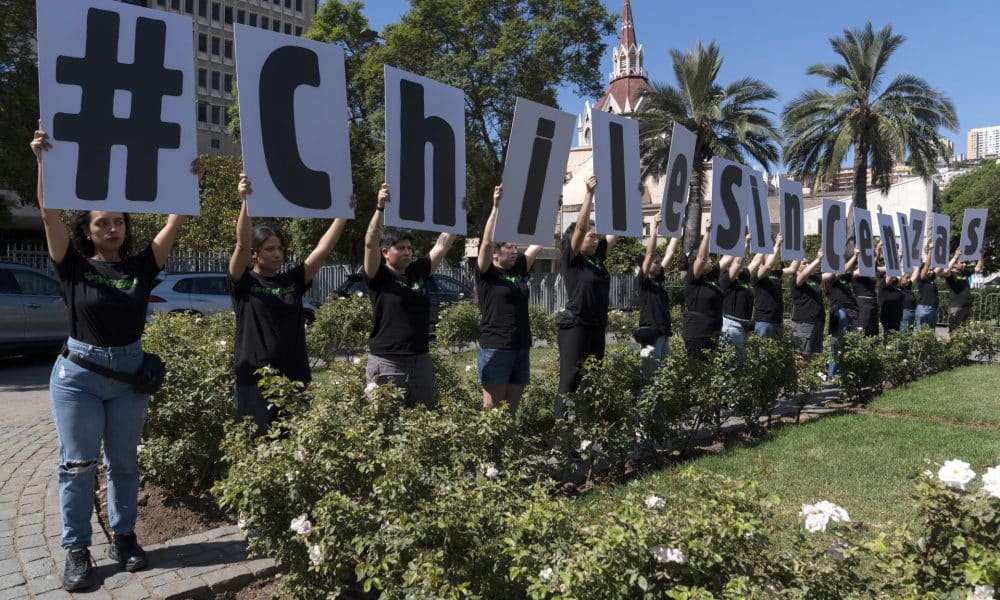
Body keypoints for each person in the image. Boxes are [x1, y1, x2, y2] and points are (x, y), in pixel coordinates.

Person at [32, 126, 199, 590]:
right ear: (87, 230)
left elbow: (174, 223)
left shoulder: (140, 266)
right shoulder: (73, 266)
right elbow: (48, 215)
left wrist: (189, 181)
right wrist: (43, 161)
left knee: (124, 463)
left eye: (119, 222)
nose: (112, 228)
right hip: (79, 377)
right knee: (79, 464)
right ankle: (77, 548)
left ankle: (124, 538)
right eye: (102, 223)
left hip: (128, 374)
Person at [228, 174, 350, 437]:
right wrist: (245, 202)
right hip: (254, 380)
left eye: (280, 248)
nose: (277, 253)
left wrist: (342, 215)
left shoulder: (291, 281)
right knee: (257, 446)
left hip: (294, 376)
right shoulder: (244, 281)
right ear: (254, 254)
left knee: (292, 448)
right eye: (269, 249)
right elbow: (241, 243)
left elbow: (321, 250)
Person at [363, 183, 464, 407]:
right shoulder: (377, 275)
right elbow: (370, 241)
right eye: (401, 248)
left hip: (420, 359)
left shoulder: (418, 271)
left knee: (422, 419)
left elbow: (441, 246)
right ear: (385, 252)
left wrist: (459, 216)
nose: (407, 252)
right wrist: (380, 207)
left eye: (409, 248)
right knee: (386, 422)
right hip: (388, 360)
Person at [476, 185, 543, 411]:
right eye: (509, 247)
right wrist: (496, 207)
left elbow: (539, 243)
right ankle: (489, 448)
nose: (515, 251)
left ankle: (510, 446)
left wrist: (551, 209)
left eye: (516, 247)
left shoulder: (518, 269)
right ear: (496, 252)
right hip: (496, 347)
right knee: (492, 411)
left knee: (510, 411)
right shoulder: (487, 273)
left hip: (521, 346)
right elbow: (485, 243)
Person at [555, 176, 618, 417]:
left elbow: (617, 231)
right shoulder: (572, 259)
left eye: (596, 236)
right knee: (570, 381)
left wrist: (633, 199)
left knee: (592, 381)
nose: (596, 239)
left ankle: (587, 435)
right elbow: (580, 228)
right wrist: (589, 194)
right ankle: (563, 438)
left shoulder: (597, 258)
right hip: (575, 326)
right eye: (592, 236)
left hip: (596, 326)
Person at [635, 212, 678, 359]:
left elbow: (670, 254)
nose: (660, 265)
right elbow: (649, 254)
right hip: (650, 333)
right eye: (656, 262)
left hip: (663, 333)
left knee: (662, 375)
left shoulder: (658, 279)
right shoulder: (643, 281)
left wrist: (677, 231)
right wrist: (654, 227)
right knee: (650, 373)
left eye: (660, 262)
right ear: (644, 264)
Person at [681, 218, 723, 361]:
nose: (710, 260)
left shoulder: (711, 276)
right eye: (708, 258)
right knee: (696, 373)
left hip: (712, 332)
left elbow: (729, 258)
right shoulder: (692, 278)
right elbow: (701, 257)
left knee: (708, 374)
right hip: (697, 334)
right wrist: (707, 232)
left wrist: (743, 240)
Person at [823, 248, 860, 379]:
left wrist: (873, 255)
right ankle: (833, 374)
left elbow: (861, 271)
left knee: (849, 344)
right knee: (837, 343)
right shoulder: (831, 276)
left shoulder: (845, 277)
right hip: (840, 311)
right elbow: (841, 270)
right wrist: (855, 256)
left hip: (851, 311)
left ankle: (844, 373)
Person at [752, 233, 796, 339]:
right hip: (763, 321)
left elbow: (792, 269)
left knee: (776, 355)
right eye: (768, 252)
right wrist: (777, 245)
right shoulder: (756, 273)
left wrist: (799, 250)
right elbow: (768, 266)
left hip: (777, 321)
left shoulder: (776, 273)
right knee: (762, 355)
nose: (771, 254)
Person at [719, 242, 759, 350]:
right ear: (728, 266)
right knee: (731, 363)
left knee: (741, 362)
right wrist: (745, 242)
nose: (741, 264)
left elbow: (756, 261)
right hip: (732, 325)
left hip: (745, 326)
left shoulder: (744, 276)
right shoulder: (725, 279)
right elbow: (737, 263)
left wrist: (765, 244)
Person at [790, 250, 824, 359]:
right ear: (796, 266)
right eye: (805, 263)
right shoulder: (795, 280)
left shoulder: (813, 279)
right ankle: (799, 376)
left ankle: (809, 376)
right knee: (801, 357)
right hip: (804, 324)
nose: (808, 265)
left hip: (817, 323)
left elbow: (832, 274)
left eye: (808, 262)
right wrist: (817, 260)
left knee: (813, 357)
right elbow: (803, 276)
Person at [943, 250, 984, 331]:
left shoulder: (965, 272)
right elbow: (945, 270)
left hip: (967, 307)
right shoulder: (950, 275)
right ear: (954, 264)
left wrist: (981, 256)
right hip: (956, 307)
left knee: (966, 332)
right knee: (954, 331)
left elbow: (978, 268)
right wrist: (955, 257)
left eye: (965, 262)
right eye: (962, 262)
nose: (965, 264)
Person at [851, 242, 880, 337]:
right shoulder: (856, 267)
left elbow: (875, 266)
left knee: (873, 333)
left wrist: (878, 251)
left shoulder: (871, 267)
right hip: (862, 303)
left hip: (873, 303)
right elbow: (855, 273)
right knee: (862, 331)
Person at [912, 248, 942, 330]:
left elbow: (941, 265)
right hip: (924, 309)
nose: (931, 271)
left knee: (931, 334)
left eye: (932, 270)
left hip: (934, 309)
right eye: (929, 270)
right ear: (922, 271)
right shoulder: (921, 278)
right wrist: (930, 251)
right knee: (922, 334)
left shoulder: (931, 278)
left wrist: (945, 251)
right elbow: (927, 264)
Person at [877, 272, 904, 336]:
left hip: (897, 318)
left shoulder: (896, 287)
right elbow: (890, 275)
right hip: (888, 317)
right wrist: (893, 270)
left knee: (895, 337)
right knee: (888, 336)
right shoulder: (883, 285)